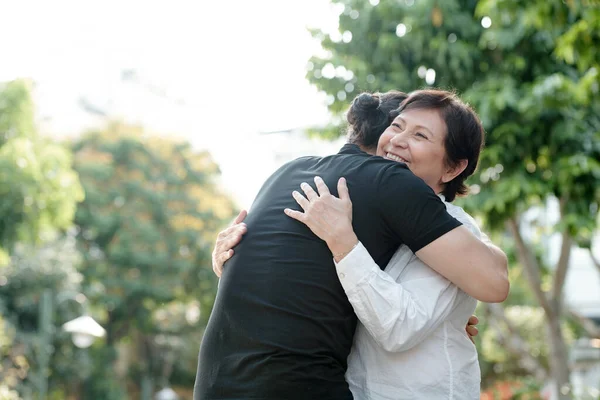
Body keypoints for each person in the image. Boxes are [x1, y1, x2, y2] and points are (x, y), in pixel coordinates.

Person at [194, 90, 508, 400]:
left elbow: (491, 282)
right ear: (382, 131)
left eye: (421, 136)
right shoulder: (387, 185)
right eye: (397, 126)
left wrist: (449, 315)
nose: (398, 140)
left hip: (213, 383)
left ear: (453, 168)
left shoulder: (289, 171)